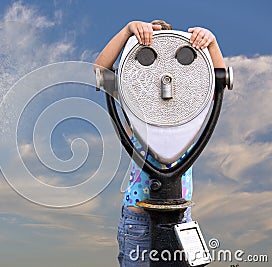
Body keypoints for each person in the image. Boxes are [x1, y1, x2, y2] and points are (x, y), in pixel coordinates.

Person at [94, 20, 226, 267]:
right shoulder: (135, 101)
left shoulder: (191, 108)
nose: (164, 78)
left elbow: (219, 78)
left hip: (181, 214)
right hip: (138, 220)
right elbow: (101, 70)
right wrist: (126, 31)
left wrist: (211, 42)